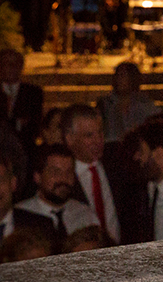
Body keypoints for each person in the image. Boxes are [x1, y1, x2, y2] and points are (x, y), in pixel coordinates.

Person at [61, 103, 148, 244]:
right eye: (89, 135)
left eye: (100, 133)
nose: (98, 141)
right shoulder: (64, 177)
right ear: (70, 139)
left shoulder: (118, 163)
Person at [16, 145, 100, 239]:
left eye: (69, 172)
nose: (63, 178)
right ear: (38, 177)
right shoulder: (21, 216)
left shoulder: (85, 214)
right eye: (56, 172)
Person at [98, 61, 161, 142]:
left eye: (124, 76)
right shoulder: (105, 105)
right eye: (118, 76)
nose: (119, 80)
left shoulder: (146, 105)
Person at [0, 48, 44, 148]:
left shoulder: (33, 93)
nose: (11, 68)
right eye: (6, 63)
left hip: (24, 146)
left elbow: (34, 124)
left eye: (15, 64)